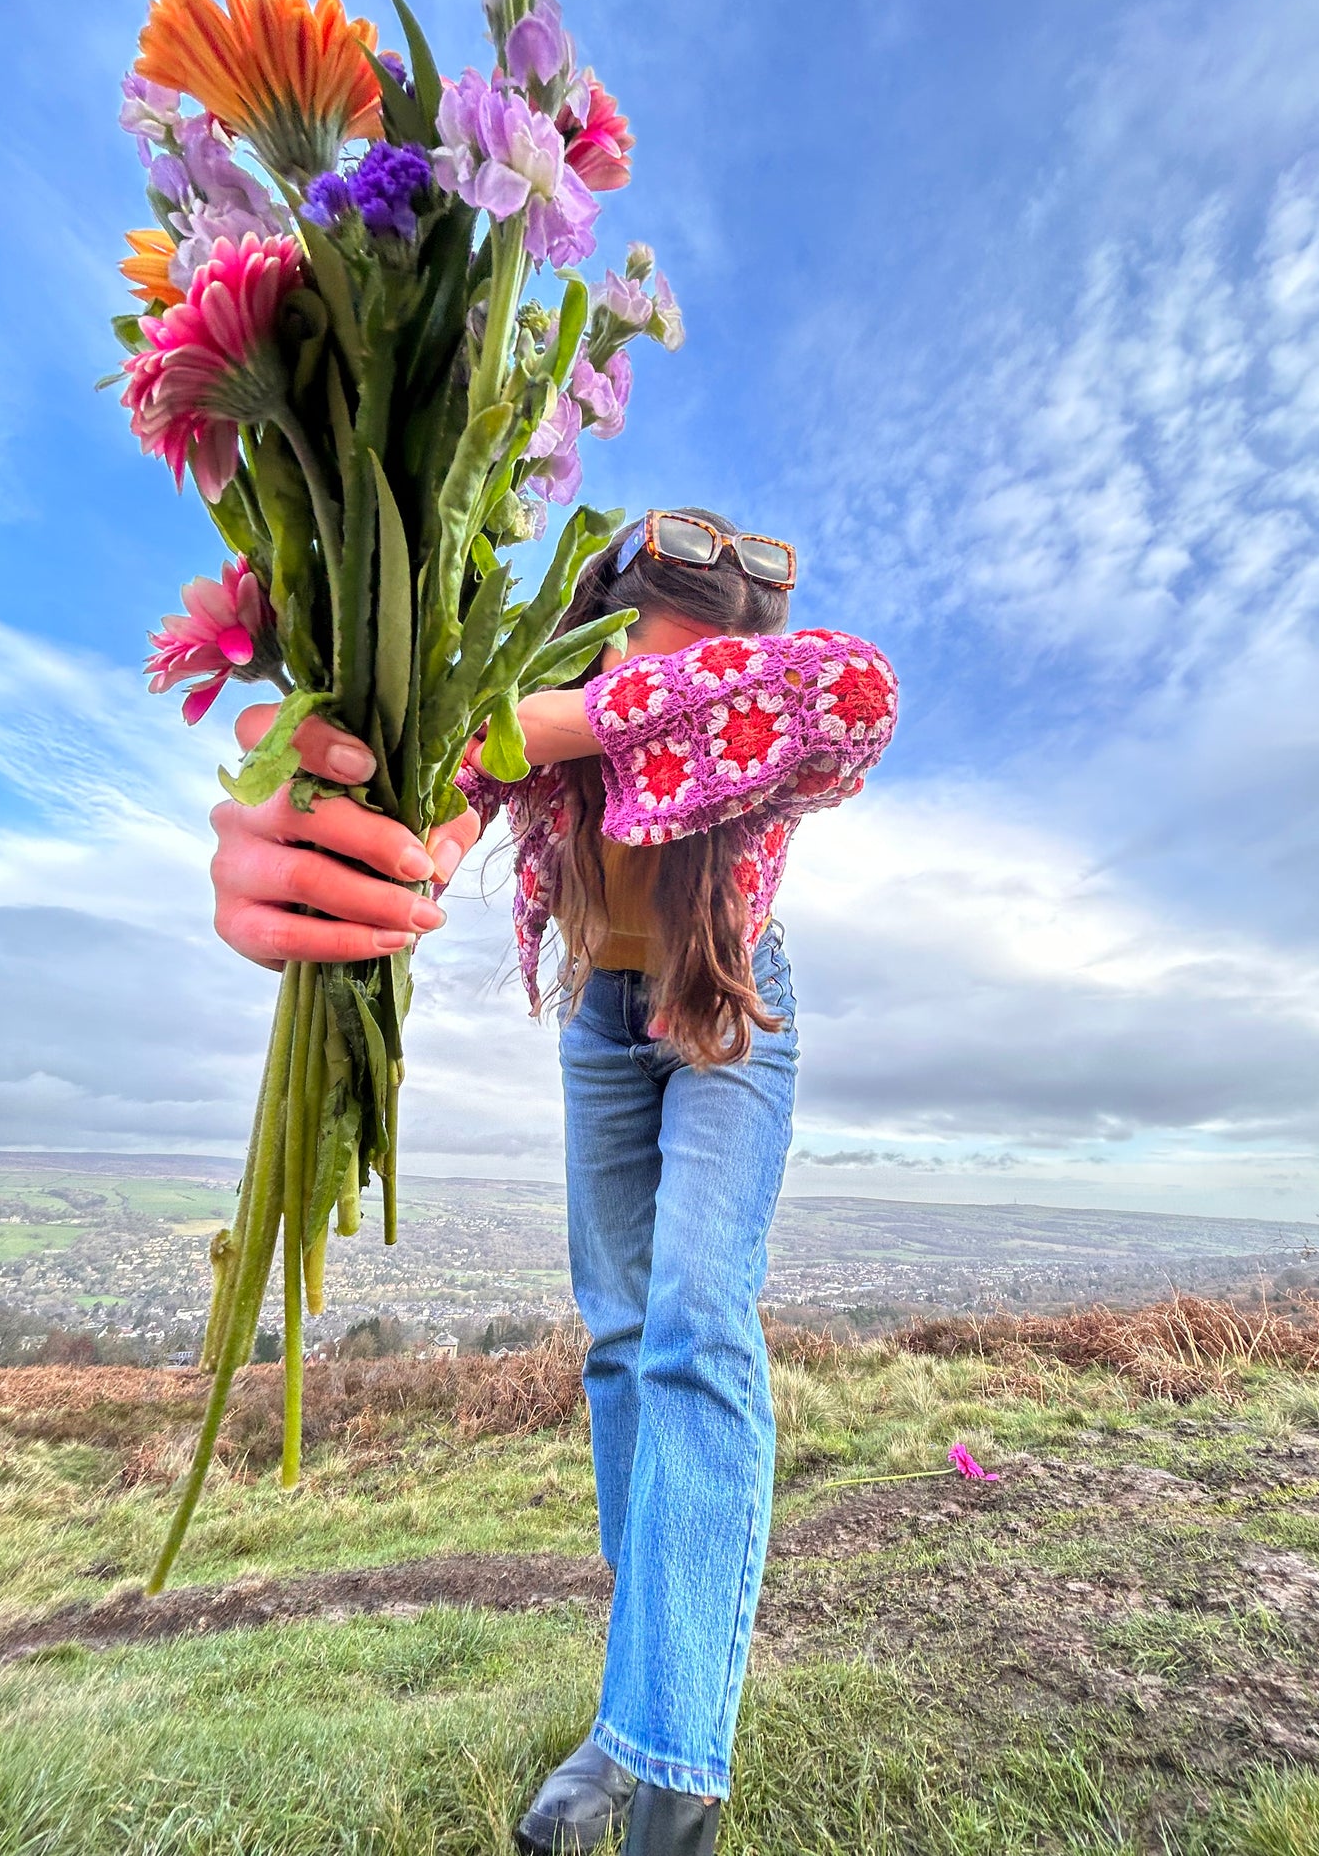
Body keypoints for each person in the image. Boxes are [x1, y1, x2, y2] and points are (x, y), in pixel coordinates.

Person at [210, 509, 897, 1854]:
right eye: (657, 657)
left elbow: (849, 689)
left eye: (709, 669)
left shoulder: (750, 696)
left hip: (733, 1004)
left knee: (697, 1320)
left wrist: (562, 718)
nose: (679, 712)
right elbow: (427, 823)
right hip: (606, 1013)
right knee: (623, 1343)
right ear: (594, 626)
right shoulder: (521, 720)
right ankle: (634, 1715)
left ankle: (673, 1769)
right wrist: (344, 843)